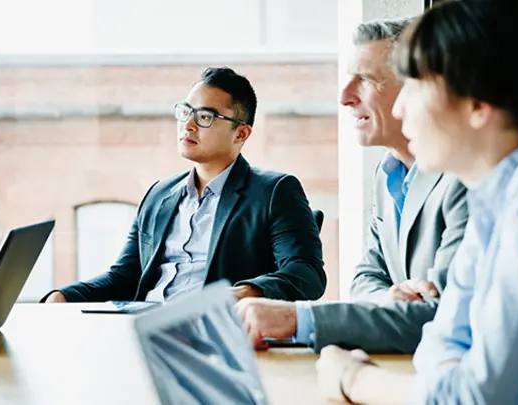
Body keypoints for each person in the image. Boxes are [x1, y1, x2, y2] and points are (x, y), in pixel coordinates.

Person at [317, 1, 518, 403]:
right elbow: (440, 341)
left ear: (477, 104)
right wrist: (450, 377)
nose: (399, 107)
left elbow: (477, 396)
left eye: (414, 85)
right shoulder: (492, 199)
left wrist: (354, 379)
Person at [237, 18, 468, 353]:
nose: (344, 96)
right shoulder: (386, 173)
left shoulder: (465, 178)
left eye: (367, 80)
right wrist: (389, 299)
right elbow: (363, 279)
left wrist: (299, 318)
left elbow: (445, 319)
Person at [43, 67, 326, 303]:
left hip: (211, 332)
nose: (188, 125)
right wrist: (63, 297)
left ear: (241, 133)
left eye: (205, 116)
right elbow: (124, 278)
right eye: (186, 111)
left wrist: (244, 294)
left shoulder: (275, 191)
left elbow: (307, 273)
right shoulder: (159, 195)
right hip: (145, 325)